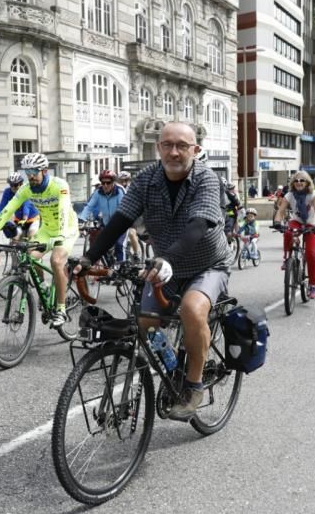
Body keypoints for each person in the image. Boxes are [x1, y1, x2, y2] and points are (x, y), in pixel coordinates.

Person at [73, 122, 232, 420]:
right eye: (167, 145)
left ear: (195, 150)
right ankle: (173, 370)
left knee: (191, 309)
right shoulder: (146, 179)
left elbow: (199, 225)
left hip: (207, 264)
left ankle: (194, 386)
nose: (174, 152)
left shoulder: (207, 179)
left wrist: (167, 258)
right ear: (158, 148)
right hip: (164, 266)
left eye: (182, 146)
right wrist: (88, 257)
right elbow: (121, 220)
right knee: (146, 323)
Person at [0, 153, 79, 327]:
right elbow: (7, 210)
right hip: (46, 230)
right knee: (28, 256)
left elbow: (64, 210)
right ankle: (43, 287)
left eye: (34, 171)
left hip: (66, 230)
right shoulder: (26, 188)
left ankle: (61, 309)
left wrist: (60, 236)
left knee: (56, 261)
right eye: (28, 172)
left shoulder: (59, 185)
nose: (31, 175)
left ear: (44, 170)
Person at [273, 171, 315, 299]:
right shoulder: (289, 195)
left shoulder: (312, 194)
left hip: (311, 223)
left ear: (307, 182)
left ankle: (313, 286)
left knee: (311, 254)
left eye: (302, 180)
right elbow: (281, 210)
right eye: (296, 181)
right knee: (288, 232)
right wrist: (277, 222)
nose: (299, 183)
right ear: (293, 183)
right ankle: (287, 258)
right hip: (297, 221)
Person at [79, 169, 126, 262]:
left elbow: (124, 208)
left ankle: (122, 267)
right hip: (106, 224)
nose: (105, 185)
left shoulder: (120, 191)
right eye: (103, 183)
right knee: (101, 246)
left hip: (121, 224)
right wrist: (81, 220)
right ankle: (108, 268)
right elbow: (89, 207)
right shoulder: (98, 192)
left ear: (113, 182)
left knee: (119, 245)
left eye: (108, 183)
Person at [0, 172, 39, 242]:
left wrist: (25, 218)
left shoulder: (26, 190)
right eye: (11, 185)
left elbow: (26, 206)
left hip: (32, 219)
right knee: (15, 237)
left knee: (31, 234)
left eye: (16, 185)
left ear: (21, 183)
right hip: (19, 220)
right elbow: (1, 207)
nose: (14, 187)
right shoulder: (7, 192)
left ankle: (31, 251)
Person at [117, 170, 144, 260]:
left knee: (132, 233)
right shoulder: (117, 190)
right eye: (121, 180)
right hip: (122, 215)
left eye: (126, 180)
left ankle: (137, 254)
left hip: (135, 216)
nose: (124, 183)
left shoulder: (133, 189)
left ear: (129, 180)